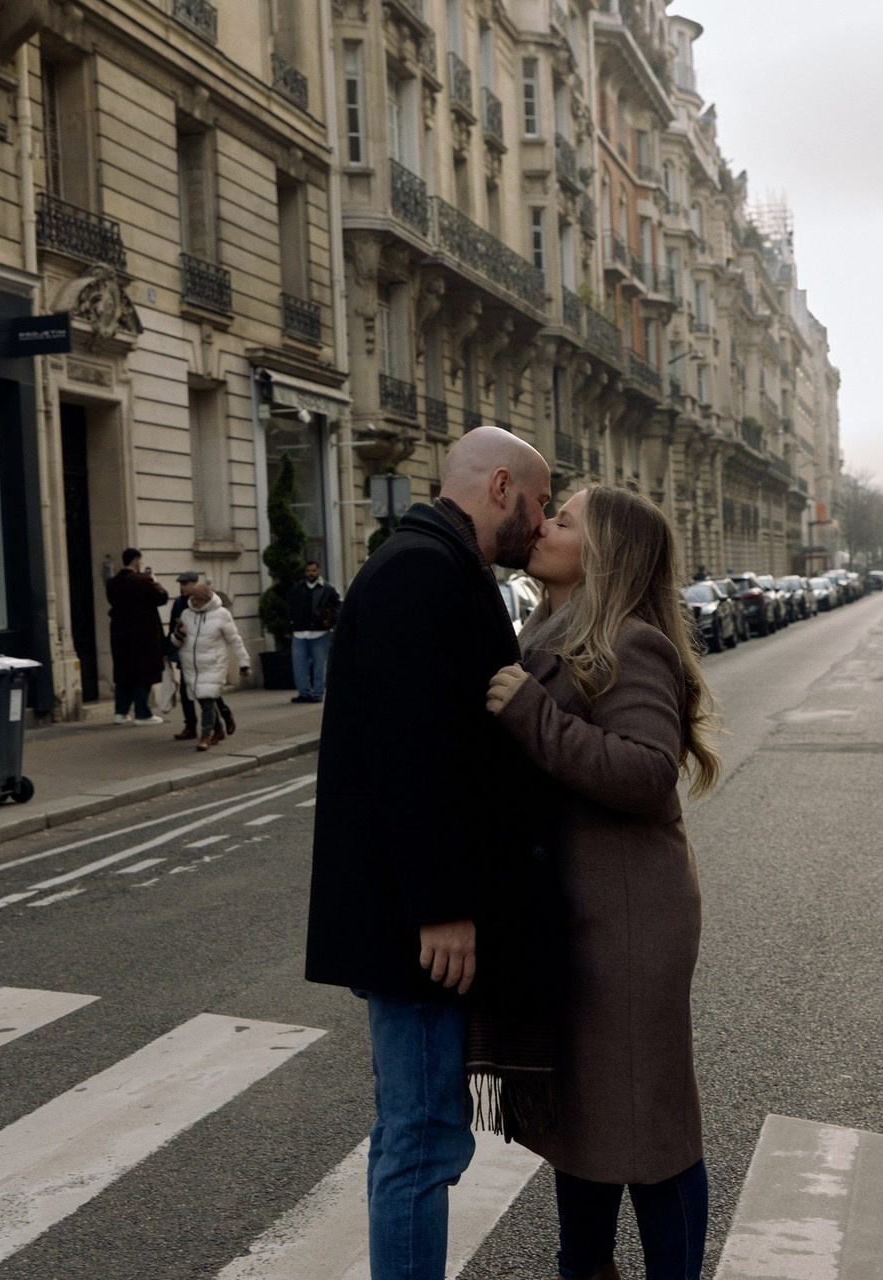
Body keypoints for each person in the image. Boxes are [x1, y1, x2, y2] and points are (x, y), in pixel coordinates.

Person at [305, 426, 555, 1280]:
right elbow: (409, 757)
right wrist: (442, 907)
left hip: (413, 911)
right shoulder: (422, 570)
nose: (543, 519)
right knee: (420, 1137)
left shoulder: (439, 564)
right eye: (540, 501)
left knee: (422, 1133)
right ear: (498, 487)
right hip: (414, 924)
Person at [485, 485, 721, 1280]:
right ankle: (583, 1268)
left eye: (563, 520)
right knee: (585, 1121)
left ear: (603, 553)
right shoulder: (550, 630)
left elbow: (649, 773)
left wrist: (532, 715)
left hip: (628, 921)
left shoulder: (631, 641)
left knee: (648, 1129)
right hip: (581, 914)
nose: (543, 526)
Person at [170, 583, 250, 751]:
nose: (194, 602)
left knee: (207, 699)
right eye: (192, 598)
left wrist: (243, 663)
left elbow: (235, 640)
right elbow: (177, 641)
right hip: (192, 665)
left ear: (205, 599)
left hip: (213, 663)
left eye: (197, 599)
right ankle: (219, 728)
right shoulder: (186, 613)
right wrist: (179, 634)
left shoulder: (221, 614)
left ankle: (205, 735)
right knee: (202, 698)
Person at [106, 547, 169, 725]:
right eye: (140, 560)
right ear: (136, 560)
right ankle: (143, 713)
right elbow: (162, 598)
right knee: (143, 672)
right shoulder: (143, 581)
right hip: (143, 634)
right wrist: (155, 582)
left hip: (119, 633)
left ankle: (121, 712)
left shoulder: (113, 583)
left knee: (123, 672)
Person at [286, 560, 340, 703]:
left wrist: (331, 619)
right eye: (308, 571)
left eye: (313, 571)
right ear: (305, 572)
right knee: (299, 665)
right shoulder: (297, 588)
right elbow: (289, 609)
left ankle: (318, 693)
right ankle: (304, 693)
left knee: (319, 665)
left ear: (319, 571)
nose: (311, 573)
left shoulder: (328, 589)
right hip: (299, 632)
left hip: (320, 633)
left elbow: (338, 607)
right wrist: (288, 628)